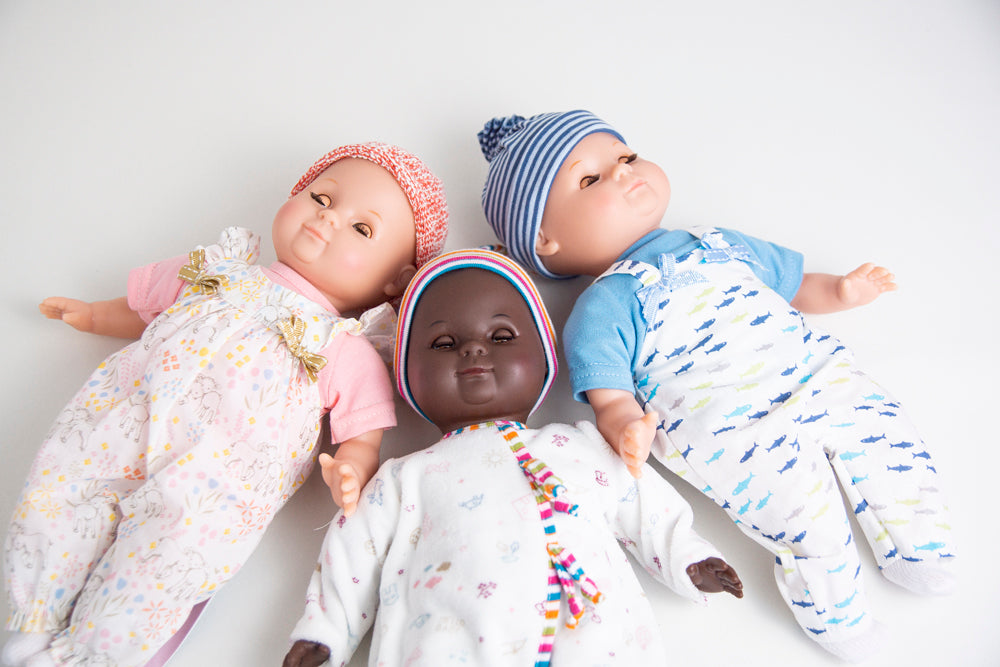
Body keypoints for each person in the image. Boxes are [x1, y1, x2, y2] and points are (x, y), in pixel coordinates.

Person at [478, 110, 956, 662]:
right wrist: (627, 428)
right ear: (545, 240)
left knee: (886, 434)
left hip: (817, 374)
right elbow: (610, 394)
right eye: (590, 179)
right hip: (734, 430)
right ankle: (839, 617)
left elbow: (795, 285)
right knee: (801, 513)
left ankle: (921, 545)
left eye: (626, 157)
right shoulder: (601, 306)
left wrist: (841, 292)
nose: (623, 172)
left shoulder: (718, 240)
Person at [2, 142, 448, 667]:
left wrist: (351, 469)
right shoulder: (218, 270)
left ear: (395, 280)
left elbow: (362, 434)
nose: (329, 219)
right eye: (322, 198)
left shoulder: (342, 347)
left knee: (169, 553)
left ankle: (91, 653)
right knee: (64, 493)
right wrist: (94, 315)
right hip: (119, 424)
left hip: (214, 482)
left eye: (362, 228)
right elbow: (143, 311)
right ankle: (30, 625)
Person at [283, 248, 742, 667]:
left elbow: (641, 503)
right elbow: (353, 552)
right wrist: (325, 633)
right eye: (443, 343)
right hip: (449, 640)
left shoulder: (579, 447)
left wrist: (688, 557)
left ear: (544, 358)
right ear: (408, 378)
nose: (473, 348)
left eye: (501, 335)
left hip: (594, 638)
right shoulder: (404, 478)